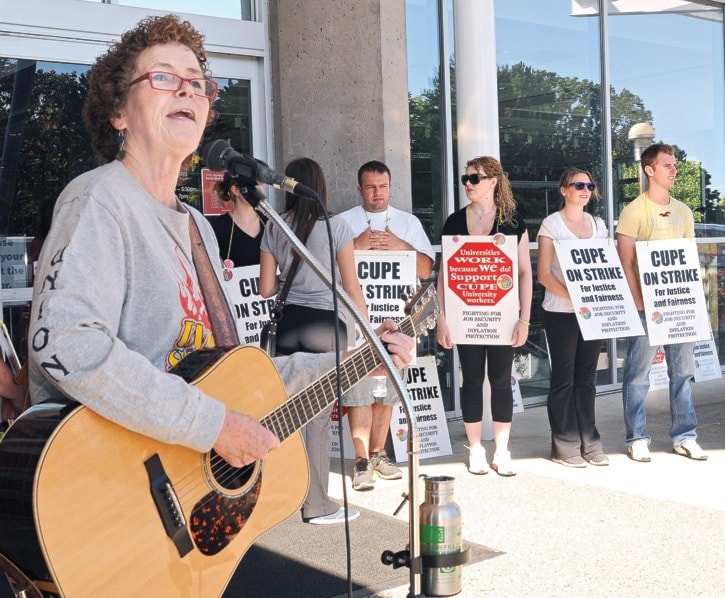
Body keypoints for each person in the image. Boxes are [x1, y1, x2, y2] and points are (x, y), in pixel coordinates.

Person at [26, 15, 414, 479]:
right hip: (112, 486)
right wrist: (212, 425)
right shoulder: (100, 198)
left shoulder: (198, 227)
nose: (188, 91)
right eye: (164, 77)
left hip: (185, 485)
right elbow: (67, 345)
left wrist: (351, 363)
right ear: (118, 113)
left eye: (197, 83)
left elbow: (237, 378)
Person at [259, 157, 369, 523]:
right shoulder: (337, 226)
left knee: (289, 414)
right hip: (326, 326)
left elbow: (266, 289)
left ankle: (286, 496)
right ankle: (317, 504)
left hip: (289, 323)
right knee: (318, 420)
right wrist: (366, 331)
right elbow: (351, 287)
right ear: (319, 187)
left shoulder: (275, 226)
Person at [338, 160, 435, 491]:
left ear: (390, 187)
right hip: (357, 322)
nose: (377, 193)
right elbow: (325, 268)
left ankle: (379, 453)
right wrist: (356, 246)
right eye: (370, 187)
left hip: (397, 320)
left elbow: (425, 270)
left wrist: (401, 246)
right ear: (359, 189)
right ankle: (361, 460)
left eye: (382, 187)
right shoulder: (342, 223)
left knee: (388, 388)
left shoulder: (408, 224)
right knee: (359, 389)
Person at [436, 156, 532, 477]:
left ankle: (502, 451)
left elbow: (524, 273)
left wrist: (525, 319)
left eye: (475, 178)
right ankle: (476, 449)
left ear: (493, 181)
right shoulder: (453, 222)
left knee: (501, 381)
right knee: (472, 380)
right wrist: (441, 319)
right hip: (467, 316)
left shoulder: (513, 221)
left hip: (502, 318)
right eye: (466, 178)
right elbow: (444, 275)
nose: (468, 184)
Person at [616, 143, 707, 462]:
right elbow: (624, 261)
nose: (674, 169)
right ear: (649, 169)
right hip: (645, 308)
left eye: (674, 164)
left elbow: (689, 260)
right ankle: (636, 437)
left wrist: (694, 300)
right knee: (638, 374)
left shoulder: (683, 211)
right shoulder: (634, 211)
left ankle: (685, 435)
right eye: (666, 165)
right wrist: (638, 299)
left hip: (679, 305)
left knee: (681, 372)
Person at [537, 168, 609, 467]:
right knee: (564, 379)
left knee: (587, 379)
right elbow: (543, 275)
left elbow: (606, 268)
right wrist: (577, 297)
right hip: (561, 312)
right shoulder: (551, 225)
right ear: (563, 189)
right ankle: (563, 444)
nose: (585, 189)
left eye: (589, 185)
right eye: (578, 185)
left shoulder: (599, 224)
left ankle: (589, 442)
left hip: (593, 312)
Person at [208, 172, 265, 267]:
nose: (261, 190)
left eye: (261, 185)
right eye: (255, 186)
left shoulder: (270, 223)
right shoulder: (217, 228)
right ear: (236, 190)